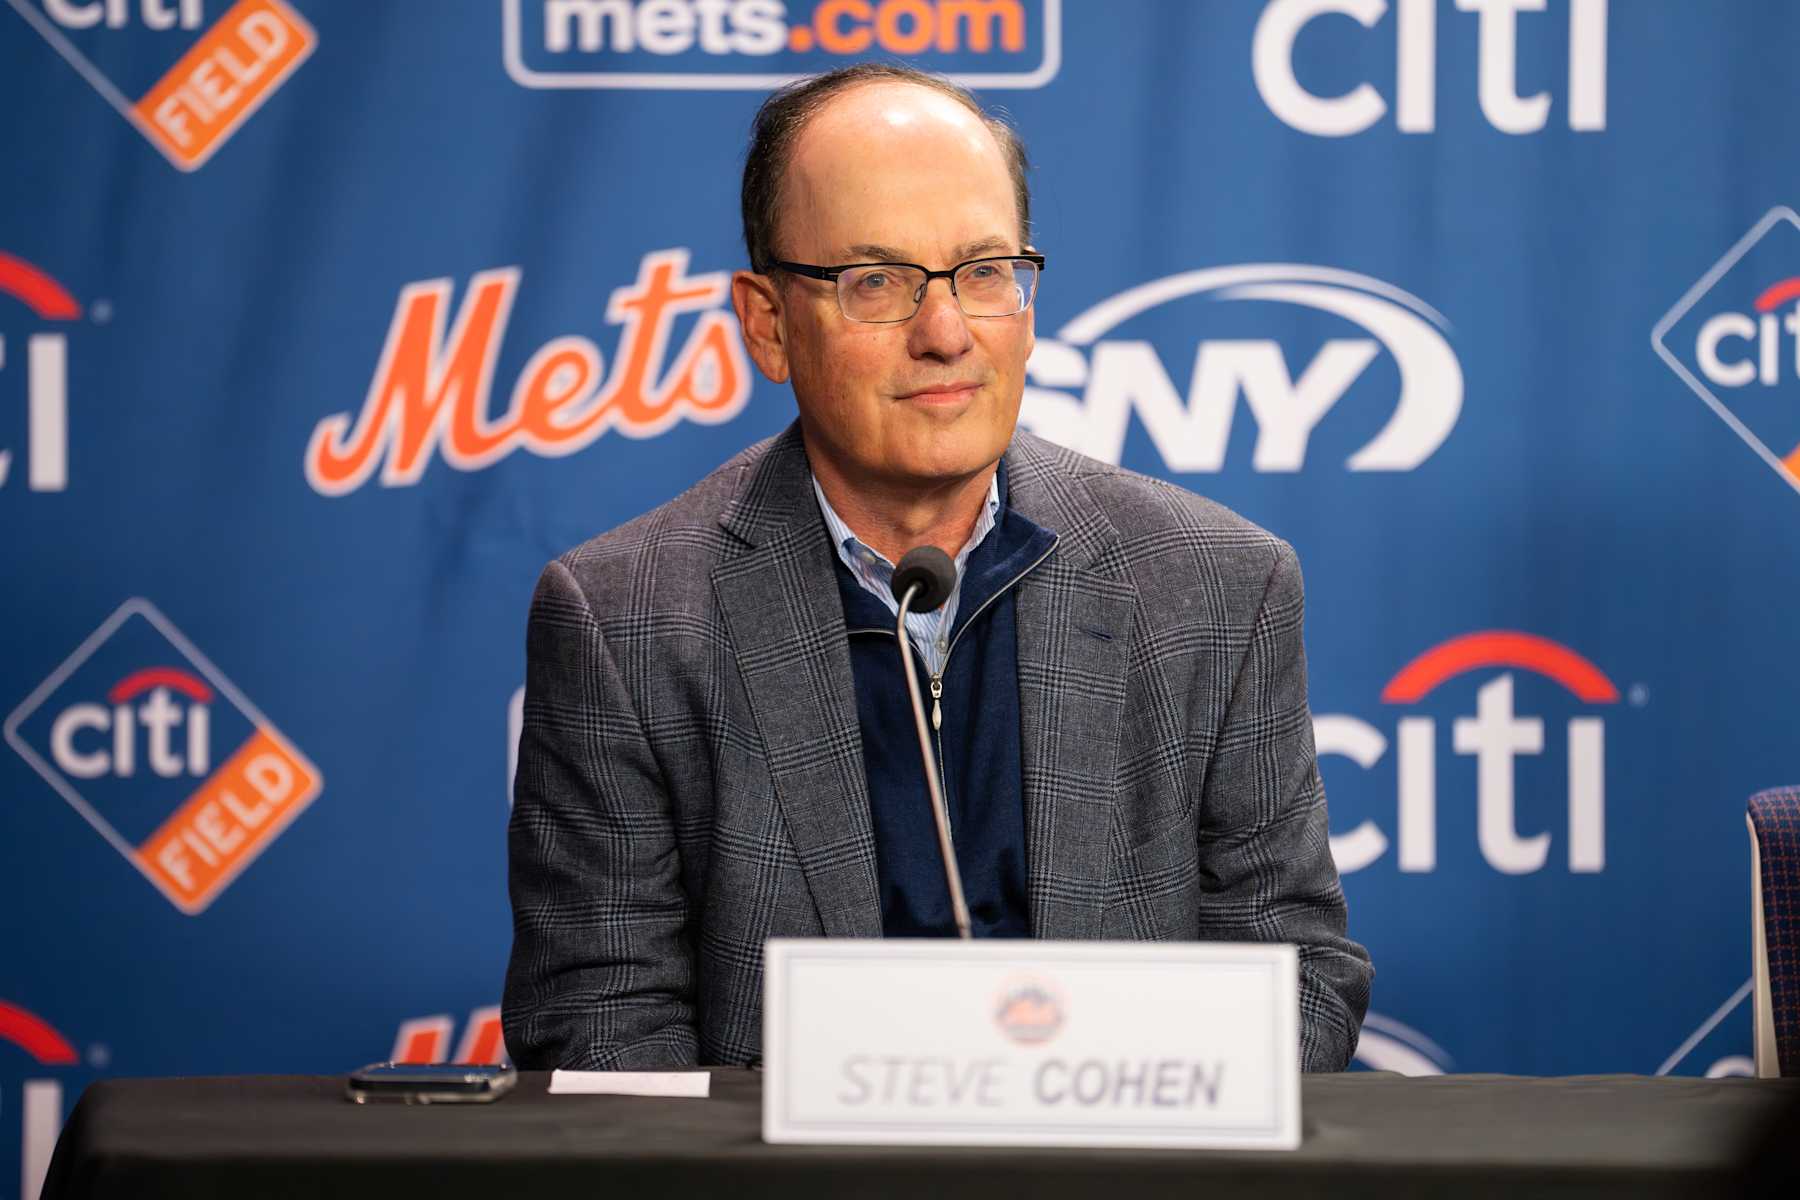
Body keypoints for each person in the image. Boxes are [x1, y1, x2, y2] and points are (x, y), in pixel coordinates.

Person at [503, 63, 1372, 1073]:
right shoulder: (625, 621)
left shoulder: (1220, 587)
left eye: (984, 272)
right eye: (876, 281)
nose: (947, 333)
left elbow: (1297, 975)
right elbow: (604, 1027)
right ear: (768, 323)